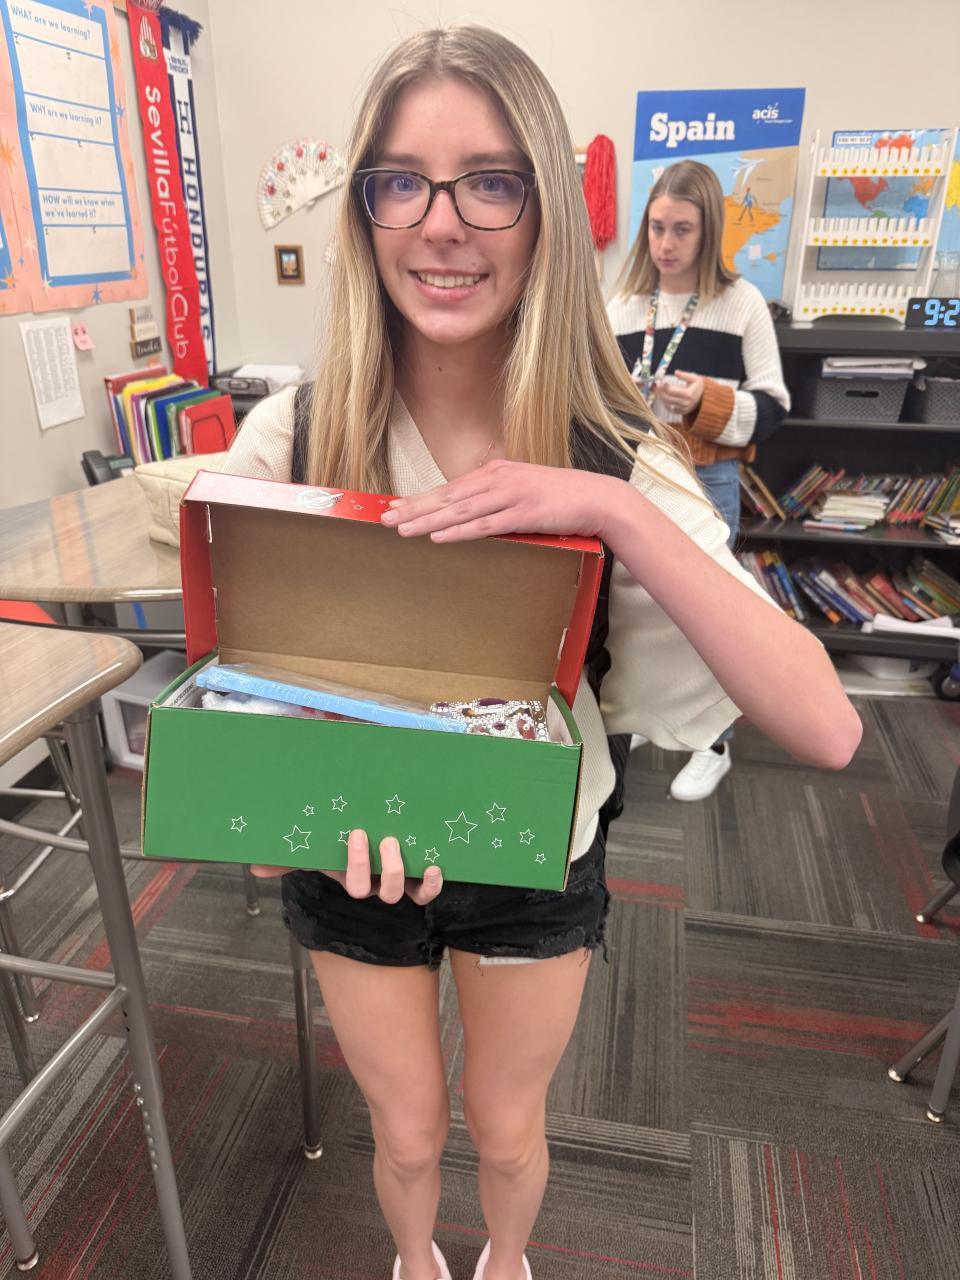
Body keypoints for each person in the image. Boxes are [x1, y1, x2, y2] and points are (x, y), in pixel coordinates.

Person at [223, 27, 860, 1280]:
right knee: (408, 1129)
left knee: (508, 1127)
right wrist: (283, 820)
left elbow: (828, 726)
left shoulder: (612, 447)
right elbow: (238, 722)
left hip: (534, 843)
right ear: (364, 209)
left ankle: (506, 1259)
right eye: (402, 182)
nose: (441, 224)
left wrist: (613, 507)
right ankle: (416, 1258)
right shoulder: (294, 435)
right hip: (351, 848)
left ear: (545, 211)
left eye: (489, 182)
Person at [607, 159, 790, 801]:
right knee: (631, 607)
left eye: (682, 229)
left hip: (706, 477)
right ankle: (639, 718)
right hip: (635, 476)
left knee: (710, 614)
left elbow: (773, 408)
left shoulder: (741, 305)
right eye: (657, 227)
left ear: (708, 230)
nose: (666, 243)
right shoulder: (623, 306)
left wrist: (707, 400)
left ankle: (713, 743)